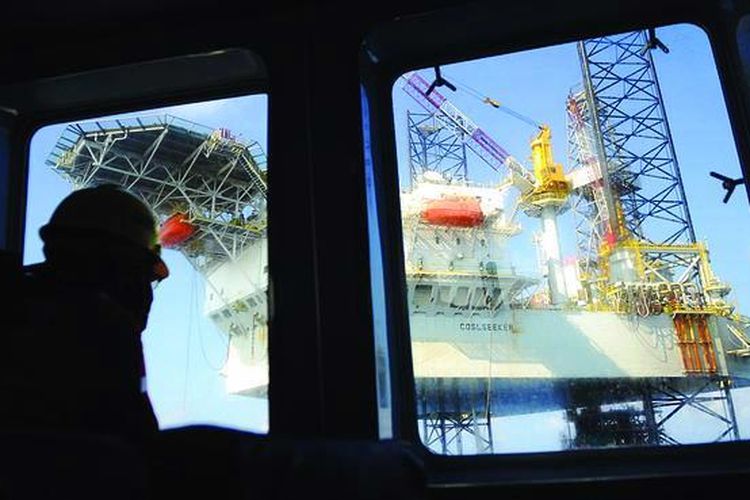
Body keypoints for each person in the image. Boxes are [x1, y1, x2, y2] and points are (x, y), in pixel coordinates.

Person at [1, 184, 169, 445]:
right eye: (143, 275)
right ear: (119, 264)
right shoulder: (104, 327)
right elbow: (132, 446)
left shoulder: (18, 296)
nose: (146, 292)